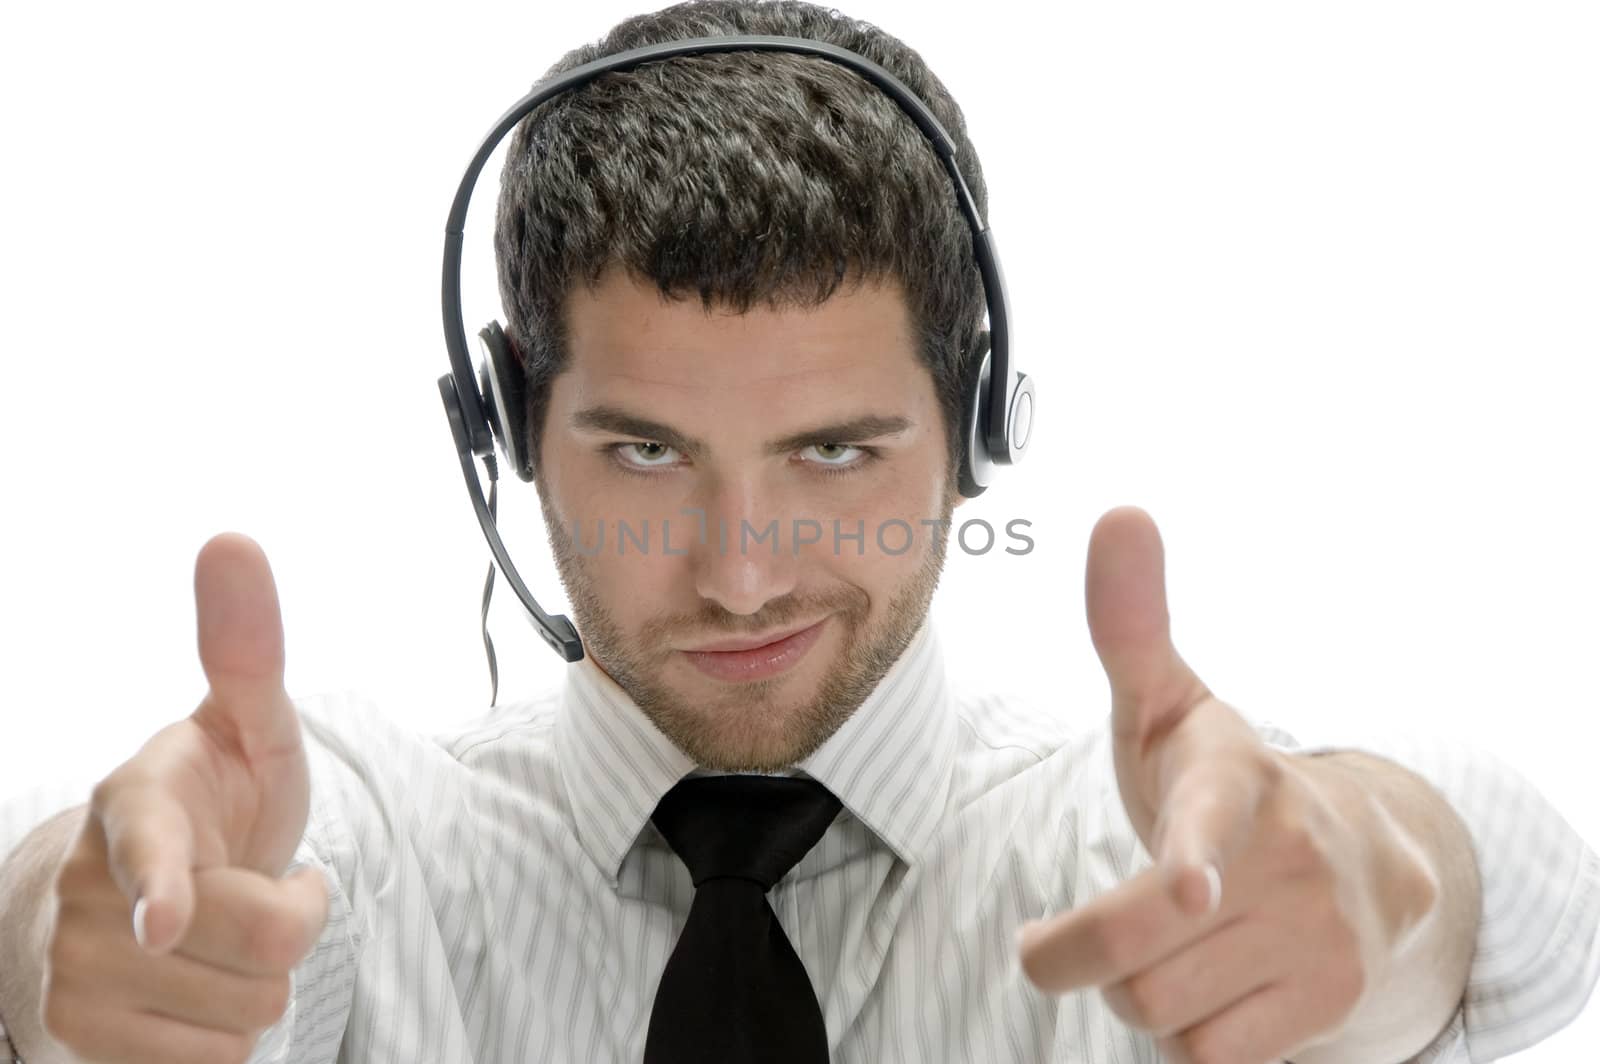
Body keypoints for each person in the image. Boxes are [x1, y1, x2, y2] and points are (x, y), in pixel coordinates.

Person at [1, 1, 1596, 1061]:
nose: (740, 567)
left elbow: (1525, 905)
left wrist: (1393, 872)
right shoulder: (366, 849)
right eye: (641, 449)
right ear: (503, 434)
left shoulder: (1142, 862)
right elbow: (100, 928)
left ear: (981, 426)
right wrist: (72, 953)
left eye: (835, 449)